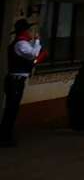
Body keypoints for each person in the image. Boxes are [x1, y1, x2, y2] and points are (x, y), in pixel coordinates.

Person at [0, 19, 44, 148]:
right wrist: (37, 41)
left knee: (12, 108)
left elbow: (31, 58)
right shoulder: (21, 44)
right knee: (11, 109)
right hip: (15, 81)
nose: (31, 32)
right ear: (24, 32)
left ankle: (6, 135)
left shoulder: (22, 43)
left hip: (18, 80)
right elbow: (33, 54)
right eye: (29, 30)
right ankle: (4, 137)